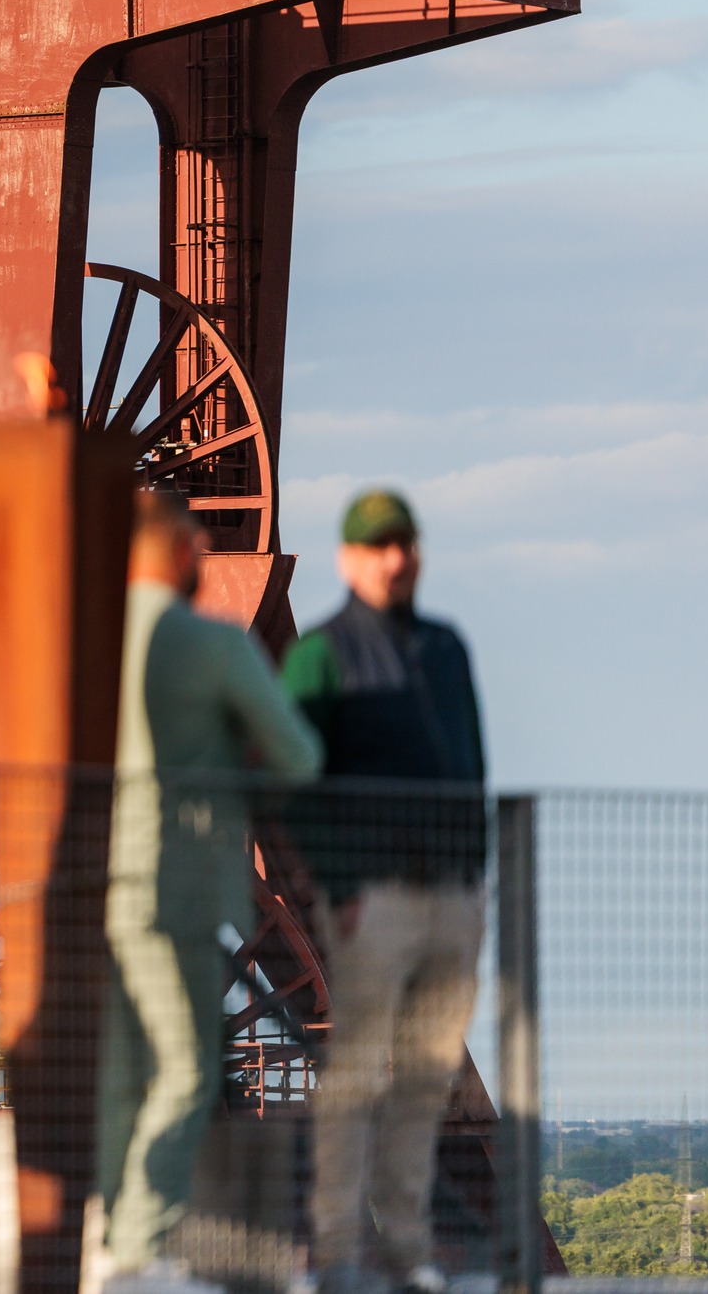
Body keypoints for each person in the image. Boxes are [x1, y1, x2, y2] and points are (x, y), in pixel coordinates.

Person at [94, 491, 322, 1294]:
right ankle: (135, 1248)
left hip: (91, 879)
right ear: (186, 552)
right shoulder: (211, 645)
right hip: (180, 883)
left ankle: (109, 1231)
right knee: (189, 1070)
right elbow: (297, 753)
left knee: (121, 1071)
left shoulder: (88, 644)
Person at [283, 490, 487, 1294]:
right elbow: (296, 781)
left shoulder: (447, 648)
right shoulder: (321, 654)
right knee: (360, 1073)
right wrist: (340, 883)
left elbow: (472, 760)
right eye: (377, 546)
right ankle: (336, 1251)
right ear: (348, 559)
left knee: (428, 1077)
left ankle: (406, 1251)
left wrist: (476, 871)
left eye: (404, 544)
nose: (394, 559)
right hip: (375, 898)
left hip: (452, 897)